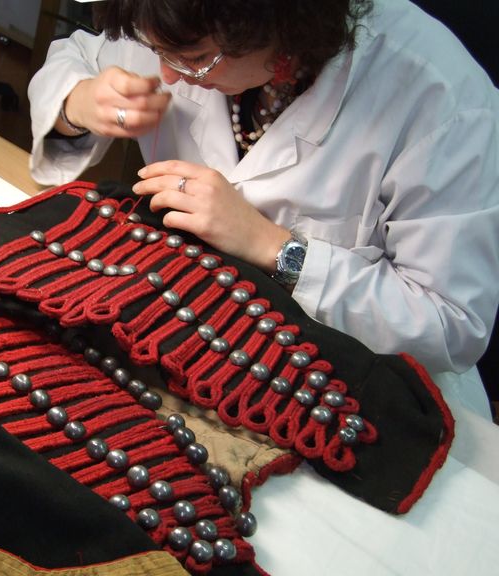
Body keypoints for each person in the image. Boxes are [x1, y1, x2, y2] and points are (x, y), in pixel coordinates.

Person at [27, 0, 499, 421]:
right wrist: (76, 104)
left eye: (195, 58)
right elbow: (78, 55)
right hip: (194, 335)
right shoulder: (175, 18)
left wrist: (271, 246)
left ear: (285, 30)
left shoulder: (441, 101)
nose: (168, 75)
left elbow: (449, 323)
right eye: (156, 52)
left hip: (360, 389)